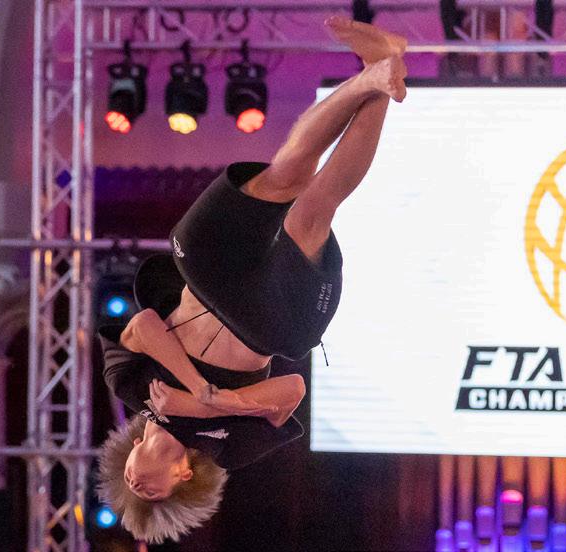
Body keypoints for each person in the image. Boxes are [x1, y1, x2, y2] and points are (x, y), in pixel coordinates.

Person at [95, 16, 408, 544]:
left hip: (206, 273)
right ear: (183, 476)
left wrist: (192, 386)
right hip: (268, 316)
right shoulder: (226, 446)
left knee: (285, 171)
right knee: (312, 209)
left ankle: (375, 70)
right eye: (152, 494)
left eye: (129, 487)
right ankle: (381, 80)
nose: (136, 485)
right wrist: (216, 402)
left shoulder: (128, 388)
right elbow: (291, 390)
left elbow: (144, 325)